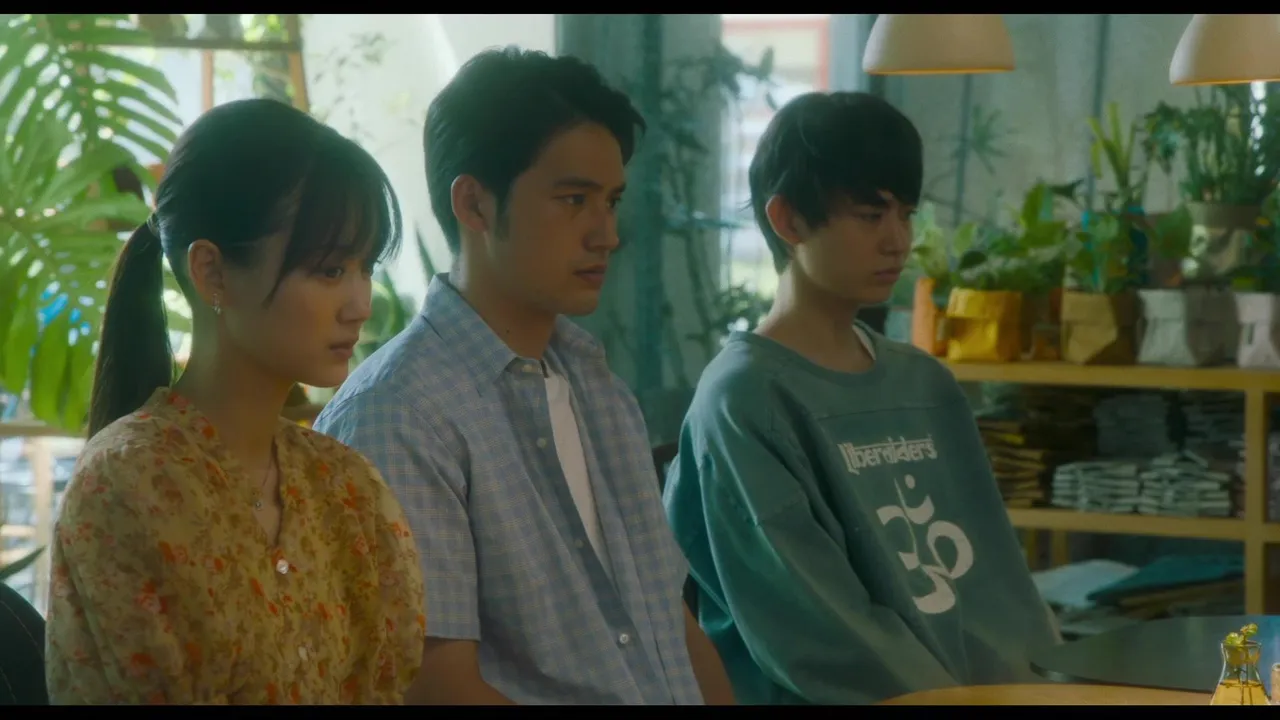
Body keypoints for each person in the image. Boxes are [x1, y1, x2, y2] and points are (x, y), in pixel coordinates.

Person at [312, 47, 734, 706]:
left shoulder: (597, 388)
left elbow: (669, 625)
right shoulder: (399, 413)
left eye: (611, 202)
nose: (606, 234)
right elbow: (436, 688)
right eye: (574, 200)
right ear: (475, 204)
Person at [662, 91, 1061, 706]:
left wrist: (1048, 688)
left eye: (906, 214)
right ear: (788, 220)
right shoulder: (745, 399)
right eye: (871, 216)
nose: (898, 241)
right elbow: (819, 634)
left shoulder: (924, 384)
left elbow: (999, 588)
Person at [45, 99, 426, 705]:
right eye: (330, 270)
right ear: (212, 273)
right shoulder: (127, 485)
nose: (361, 303)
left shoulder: (348, 487)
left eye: (365, 267)